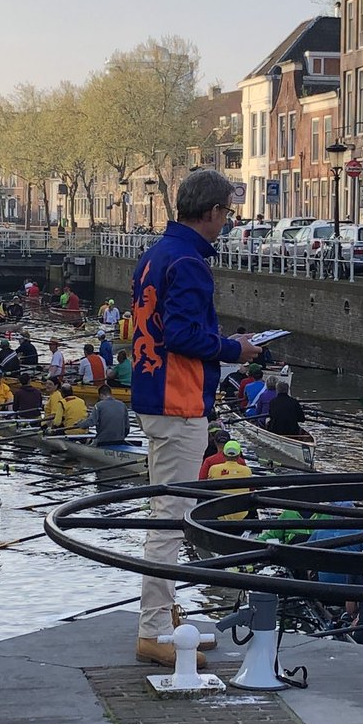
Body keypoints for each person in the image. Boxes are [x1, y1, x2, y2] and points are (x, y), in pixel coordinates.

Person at [129, 169, 261, 667]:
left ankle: (163, 612)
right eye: (227, 212)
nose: (228, 221)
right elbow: (182, 335)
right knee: (170, 518)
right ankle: (155, 629)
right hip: (178, 401)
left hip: (154, 394)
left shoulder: (157, 254)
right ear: (210, 213)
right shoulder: (189, 262)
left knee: (165, 511)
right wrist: (237, 348)